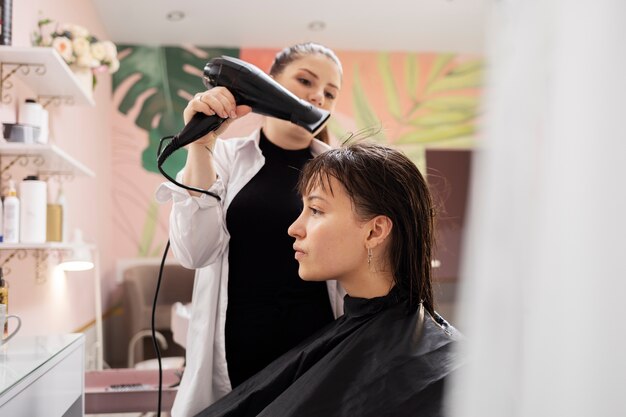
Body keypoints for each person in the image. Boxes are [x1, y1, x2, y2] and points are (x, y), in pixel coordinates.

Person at [196, 142, 463, 417]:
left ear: (375, 232)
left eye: (316, 210)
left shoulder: (448, 370)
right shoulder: (351, 335)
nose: (294, 228)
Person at [156, 43, 345, 416]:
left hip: (316, 350)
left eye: (330, 92)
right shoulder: (223, 158)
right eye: (305, 80)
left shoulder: (343, 174)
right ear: (269, 85)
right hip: (238, 351)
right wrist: (201, 148)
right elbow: (195, 252)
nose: (317, 96)